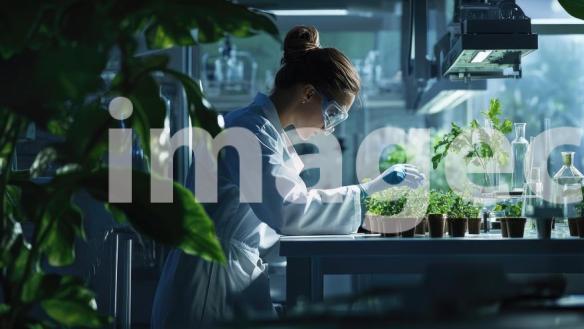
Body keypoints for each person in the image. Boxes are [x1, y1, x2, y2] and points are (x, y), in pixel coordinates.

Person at [151, 26, 424, 328]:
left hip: (229, 275)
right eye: (333, 112)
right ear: (308, 93)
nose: (330, 126)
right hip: (209, 288)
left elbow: (275, 218)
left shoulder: (266, 132)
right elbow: (288, 210)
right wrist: (366, 191)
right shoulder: (247, 131)